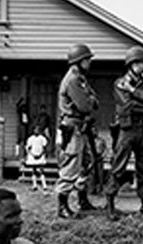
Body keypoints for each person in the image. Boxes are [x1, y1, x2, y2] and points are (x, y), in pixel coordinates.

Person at [106, 47, 143, 221]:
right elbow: (127, 106)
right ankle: (110, 203)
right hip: (126, 130)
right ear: (130, 64)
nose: (140, 66)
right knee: (119, 166)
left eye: (142, 62)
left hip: (142, 129)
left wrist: (134, 92)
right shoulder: (120, 83)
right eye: (137, 62)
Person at [56, 43, 99, 219]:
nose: (89, 62)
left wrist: (90, 100)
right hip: (73, 127)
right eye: (87, 59)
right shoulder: (73, 80)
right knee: (71, 166)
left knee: (86, 164)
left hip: (81, 127)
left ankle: (82, 200)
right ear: (79, 61)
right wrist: (90, 100)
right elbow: (86, 105)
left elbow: (95, 101)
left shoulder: (80, 78)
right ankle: (62, 206)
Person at [24, 125, 49, 192]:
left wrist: (40, 154)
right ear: (33, 130)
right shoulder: (30, 139)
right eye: (35, 130)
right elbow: (28, 148)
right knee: (34, 170)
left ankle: (44, 185)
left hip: (40, 156)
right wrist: (33, 154)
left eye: (38, 130)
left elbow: (44, 148)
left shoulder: (42, 138)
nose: (36, 131)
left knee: (41, 171)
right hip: (33, 156)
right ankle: (34, 185)